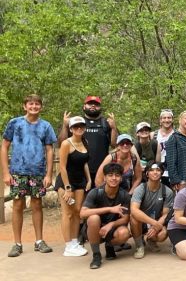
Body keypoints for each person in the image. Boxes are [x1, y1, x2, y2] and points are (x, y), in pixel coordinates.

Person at [2, 94, 57, 257]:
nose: (34, 106)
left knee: (37, 205)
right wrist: (6, 172)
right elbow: (4, 147)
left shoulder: (46, 126)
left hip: (38, 172)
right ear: (25, 106)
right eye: (31, 104)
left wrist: (48, 174)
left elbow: (49, 149)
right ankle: (17, 243)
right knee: (18, 205)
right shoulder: (15, 123)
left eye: (37, 104)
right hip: (18, 171)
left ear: (41, 107)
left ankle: (39, 241)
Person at [81, 163, 132, 269]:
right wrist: (109, 209)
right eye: (110, 175)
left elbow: (126, 218)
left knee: (124, 233)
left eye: (117, 175)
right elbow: (83, 213)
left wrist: (111, 224)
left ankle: (109, 246)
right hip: (94, 230)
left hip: (112, 229)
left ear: (121, 178)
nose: (114, 178)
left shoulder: (124, 195)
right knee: (94, 218)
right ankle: (96, 255)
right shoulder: (95, 193)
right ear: (104, 177)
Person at [59, 96, 117, 188]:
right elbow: (62, 143)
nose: (93, 106)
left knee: (99, 199)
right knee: (81, 201)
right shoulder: (77, 122)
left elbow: (114, 144)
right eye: (90, 103)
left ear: (100, 108)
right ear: (84, 106)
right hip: (79, 171)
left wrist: (113, 128)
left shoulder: (106, 123)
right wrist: (65, 126)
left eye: (96, 104)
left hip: (101, 170)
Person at [55, 116, 91, 257]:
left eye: (81, 126)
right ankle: (68, 245)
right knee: (67, 213)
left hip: (80, 181)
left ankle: (75, 241)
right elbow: (62, 167)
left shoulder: (85, 142)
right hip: (66, 182)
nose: (79, 129)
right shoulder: (66, 143)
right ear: (71, 129)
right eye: (76, 127)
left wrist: (88, 179)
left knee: (77, 212)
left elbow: (84, 163)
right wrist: (68, 188)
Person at [129, 162, 174, 258]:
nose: (155, 173)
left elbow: (166, 214)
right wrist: (153, 223)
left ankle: (151, 240)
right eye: (152, 170)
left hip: (157, 220)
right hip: (142, 222)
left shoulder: (167, 191)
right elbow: (134, 210)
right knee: (133, 217)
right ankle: (139, 245)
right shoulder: (140, 189)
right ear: (147, 174)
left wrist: (156, 226)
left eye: (158, 170)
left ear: (162, 173)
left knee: (163, 234)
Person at [154, 109, 175, 186]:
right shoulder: (153, 135)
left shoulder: (177, 135)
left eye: (169, 118)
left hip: (173, 172)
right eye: (164, 118)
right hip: (157, 171)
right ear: (160, 120)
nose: (166, 120)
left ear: (172, 120)